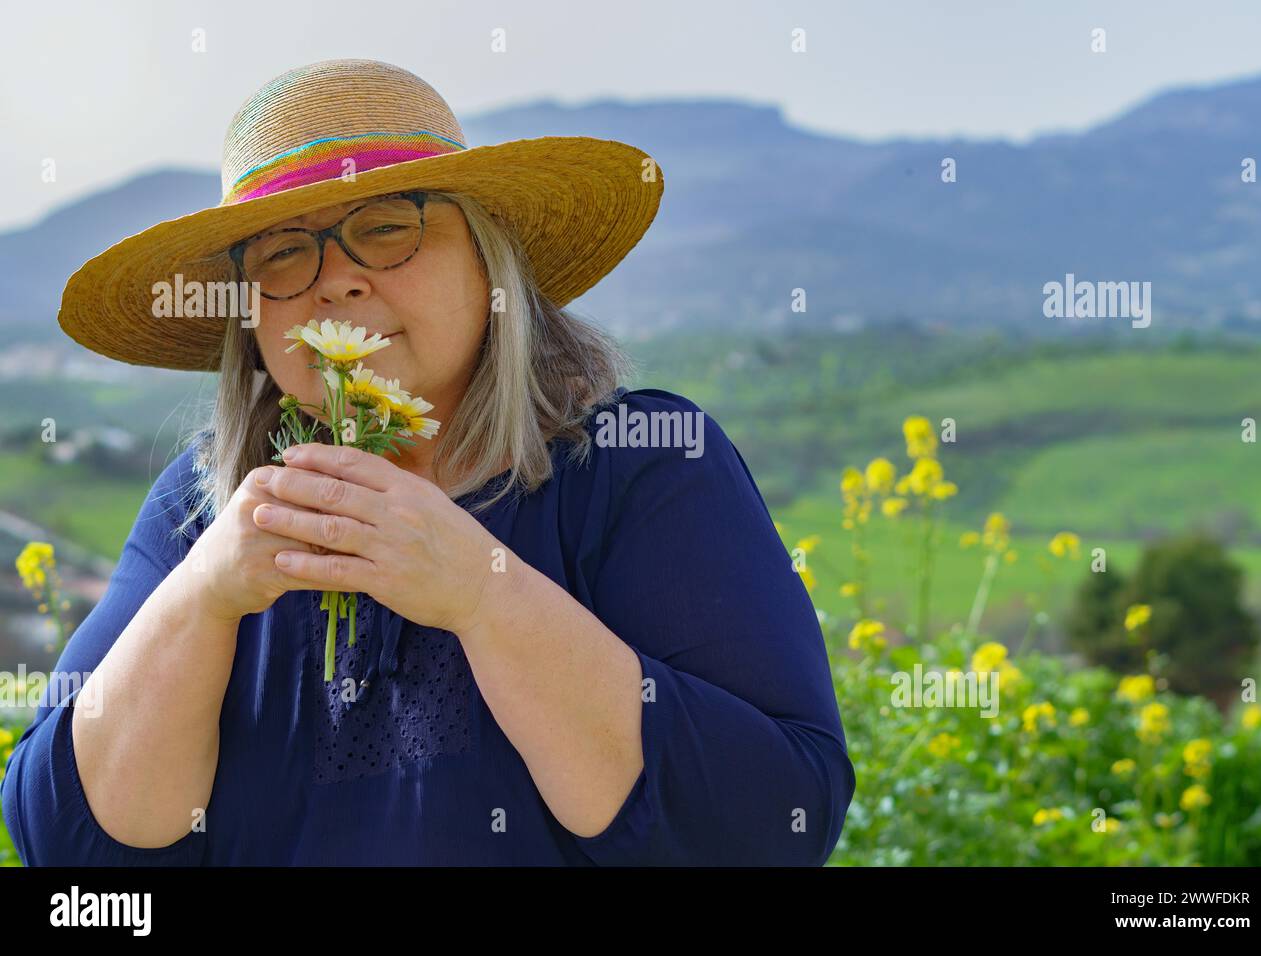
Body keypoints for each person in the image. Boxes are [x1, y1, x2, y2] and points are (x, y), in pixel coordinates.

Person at [2, 58, 854, 865]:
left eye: (386, 228)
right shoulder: (200, 507)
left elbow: (773, 821)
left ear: (491, 261)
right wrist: (204, 596)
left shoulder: (640, 468)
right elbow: (69, 847)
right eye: (282, 254)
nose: (334, 282)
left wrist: (483, 594)